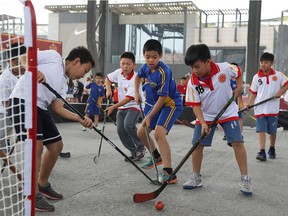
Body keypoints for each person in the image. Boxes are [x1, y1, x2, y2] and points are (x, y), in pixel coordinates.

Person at [9, 46, 94, 212]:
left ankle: (42, 184)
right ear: (76, 61)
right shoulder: (54, 57)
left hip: (40, 106)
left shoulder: (64, 82)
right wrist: (33, 71)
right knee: (37, 146)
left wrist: (80, 118)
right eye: (85, 70)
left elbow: (58, 107)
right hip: (23, 100)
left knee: (56, 146)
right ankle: (31, 194)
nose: (83, 75)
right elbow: (24, 58)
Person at [183, 44, 252, 195]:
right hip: (206, 115)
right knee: (197, 145)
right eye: (192, 68)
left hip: (228, 112)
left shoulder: (225, 68)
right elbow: (195, 106)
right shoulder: (193, 82)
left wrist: (239, 87)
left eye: (197, 66)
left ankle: (245, 179)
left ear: (208, 61)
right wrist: (202, 123)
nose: (194, 71)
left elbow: (238, 71)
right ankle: (196, 177)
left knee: (237, 142)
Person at [134, 39, 183, 184]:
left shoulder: (164, 71)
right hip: (154, 104)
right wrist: (136, 93)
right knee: (141, 133)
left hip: (170, 104)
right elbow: (138, 77)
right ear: (144, 55)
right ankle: (156, 157)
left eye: (154, 57)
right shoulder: (145, 68)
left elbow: (163, 99)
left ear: (160, 55)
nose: (151, 60)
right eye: (148, 56)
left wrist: (149, 116)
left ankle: (169, 173)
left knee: (159, 133)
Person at [105, 52, 146, 162]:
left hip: (135, 105)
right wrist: (108, 89)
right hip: (122, 107)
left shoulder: (135, 78)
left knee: (128, 125)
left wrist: (113, 107)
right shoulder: (118, 72)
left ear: (134, 65)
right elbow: (108, 79)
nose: (125, 66)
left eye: (128, 64)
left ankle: (141, 148)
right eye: (123, 63)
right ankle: (134, 151)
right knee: (120, 129)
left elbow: (128, 98)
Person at [247, 52, 288, 161]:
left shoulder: (278, 75)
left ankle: (272, 148)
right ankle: (262, 151)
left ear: (272, 63)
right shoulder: (256, 77)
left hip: (272, 109)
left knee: (272, 131)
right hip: (259, 109)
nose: (263, 64)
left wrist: (280, 92)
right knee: (261, 130)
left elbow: (287, 84)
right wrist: (250, 103)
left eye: (266, 62)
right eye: (261, 62)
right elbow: (253, 93)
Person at [0, 42, 26, 151]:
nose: (21, 66)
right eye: (17, 62)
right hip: (5, 112)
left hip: (23, 107)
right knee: (1, 137)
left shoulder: (28, 72)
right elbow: (6, 105)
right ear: (8, 61)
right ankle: (4, 145)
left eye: (23, 62)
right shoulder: (4, 80)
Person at [223, 63, 244, 141]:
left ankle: (240, 133)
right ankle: (226, 134)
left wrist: (241, 105)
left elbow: (240, 95)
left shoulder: (239, 83)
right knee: (226, 119)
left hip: (237, 104)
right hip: (228, 105)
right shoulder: (227, 81)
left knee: (239, 118)